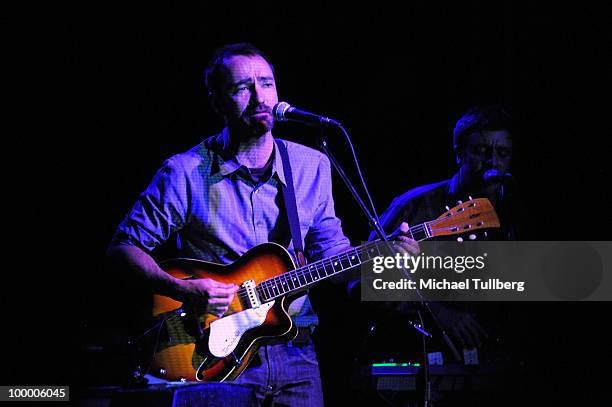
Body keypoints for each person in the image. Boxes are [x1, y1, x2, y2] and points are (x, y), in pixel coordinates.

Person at [106, 42, 417, 406]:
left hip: (296, 357)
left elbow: (333, 259)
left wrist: (382, 255)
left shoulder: (311, 165)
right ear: (217, 101)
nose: (259, 97)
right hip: (211, 360)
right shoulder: (185, 172)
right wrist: (184, 290)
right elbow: (121, 251)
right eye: (242, 88)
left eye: (266, 84)